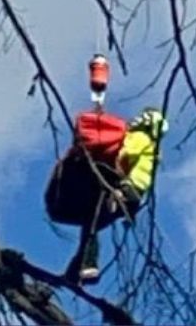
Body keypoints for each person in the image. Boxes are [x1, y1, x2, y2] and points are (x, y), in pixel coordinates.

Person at [63, 106, 168, 285]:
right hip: (135, 195)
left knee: (92, 220)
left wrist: (113, 177)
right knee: (91, 223)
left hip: (126, 189)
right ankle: (76, 271)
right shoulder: (154, 149)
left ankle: (87, 265)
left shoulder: (140, 138)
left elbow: (126, 155)